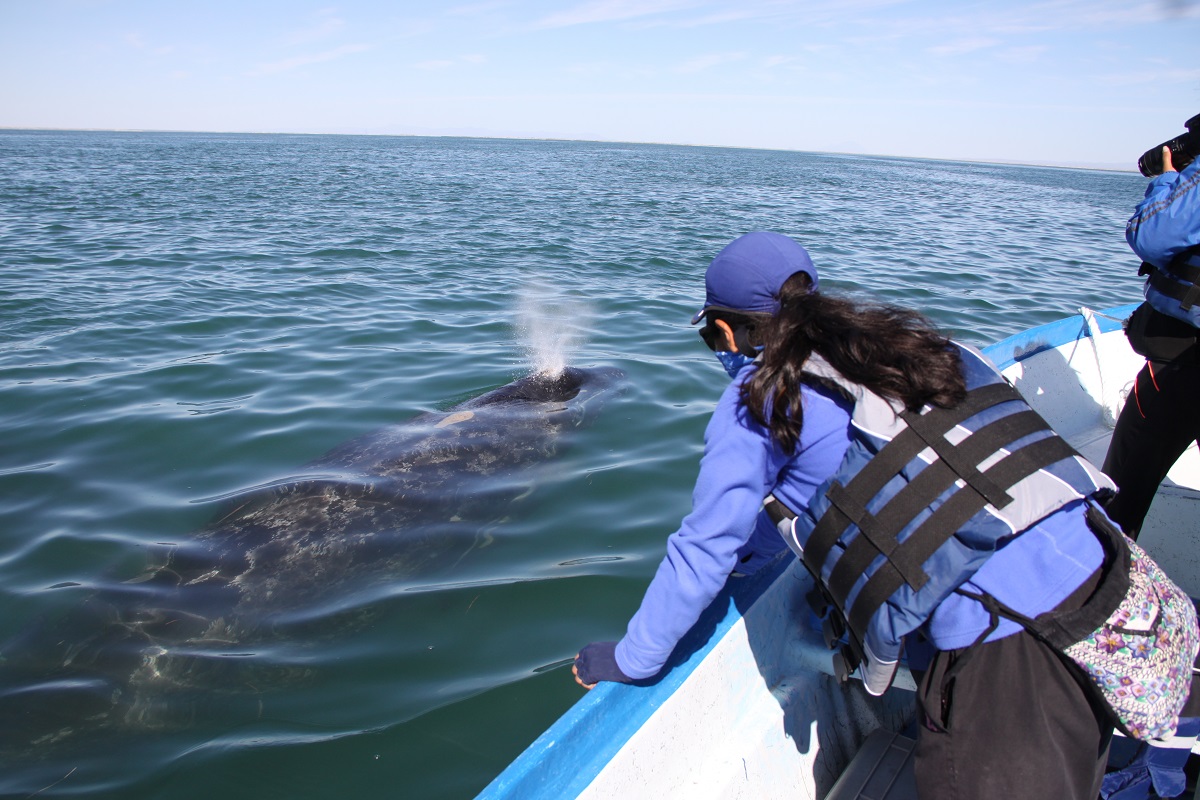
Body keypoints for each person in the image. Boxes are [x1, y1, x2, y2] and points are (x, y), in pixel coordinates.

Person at [573, 231, 1121, 799]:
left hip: (1009, 654)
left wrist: (632, 658)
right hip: (1109, 576)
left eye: (712, 331)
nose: (716, 345)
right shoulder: (906, 348)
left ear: (732, 332)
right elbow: (846, 480)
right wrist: (757, 554)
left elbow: (702, 549)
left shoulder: (757, 404)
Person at [1102, 143, 1200, 538]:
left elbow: (1153, 238)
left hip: (1184, 358)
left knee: (1122, 490)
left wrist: (1167, 179)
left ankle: (1103, 586)